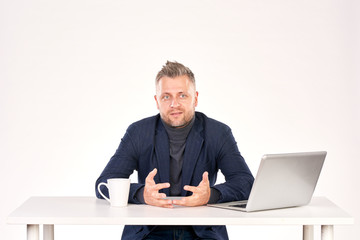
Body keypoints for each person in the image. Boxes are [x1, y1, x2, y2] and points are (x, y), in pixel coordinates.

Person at [95, 61, 254, 240]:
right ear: (157, 101)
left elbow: (246, 182)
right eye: (166, 97)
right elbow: (104, 183)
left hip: (202, 232)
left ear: (195, 98)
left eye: (182, 95)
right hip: (149, 231)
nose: (174, 104)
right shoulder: (138, 132)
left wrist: (211, 195)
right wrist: (142, 194)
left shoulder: (218, 133)